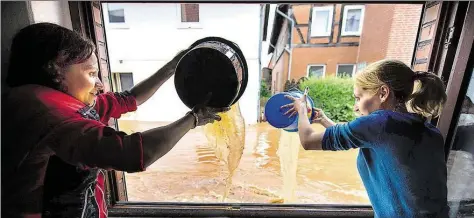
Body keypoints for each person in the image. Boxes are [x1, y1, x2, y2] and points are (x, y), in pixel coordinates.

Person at [1, 22, 228, 218]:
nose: (99, 84)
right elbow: (134, 153)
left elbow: (129, 99)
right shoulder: (54, 118)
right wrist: (194, 119)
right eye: (91, 74)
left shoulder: (41, 99)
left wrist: (173, 66)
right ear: (55, 68)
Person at [283, 60, 449, 217]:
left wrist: (301, 110)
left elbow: (308, 140)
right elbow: (364, 139)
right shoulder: (430, 131)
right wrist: (324, 120)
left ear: (383, 93)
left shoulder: (381, 123)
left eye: (359, 97)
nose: (356, 106)